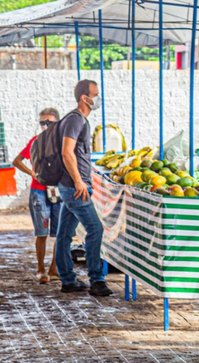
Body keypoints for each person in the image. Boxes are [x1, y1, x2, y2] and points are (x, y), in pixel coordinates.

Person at [55, 79, 113, 296]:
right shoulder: (75, 120)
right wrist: (79, 181)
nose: (97, 98)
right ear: (84, 98)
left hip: (71, 186)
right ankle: (97, 281)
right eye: (95, 94)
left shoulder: (77, 120)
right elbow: (66, 152)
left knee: (64, 235)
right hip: (74, 187)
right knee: (95, 229)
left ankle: (68, 281)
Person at [12, 108, 62, 284]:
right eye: (42, 122)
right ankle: (41, 269)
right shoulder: (35, 141)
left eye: (49, 122)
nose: (45, 126)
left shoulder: (63, 141)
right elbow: (16, 160)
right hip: (39, 191)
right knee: (42, 232)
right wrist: (32, 173)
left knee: (60, 232)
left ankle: (54, 268)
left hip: (59, 190)